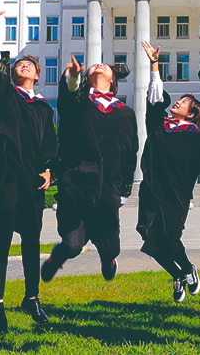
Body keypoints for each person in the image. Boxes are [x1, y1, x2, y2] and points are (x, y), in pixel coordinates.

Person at [0, 5, 57, 332]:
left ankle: (31, 297)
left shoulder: (42, 107)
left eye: (30, 64)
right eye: (19, 64)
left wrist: (50, 169)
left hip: (33, 180)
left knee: (32, 239)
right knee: (2, 238)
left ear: (37, 75)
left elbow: (51, 142)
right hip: (9, 176)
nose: (24, 65)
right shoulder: (5, 96)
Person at [136, 40, 200, 302]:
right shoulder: (159, 124)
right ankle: (180, 274)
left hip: (175, 194)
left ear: (192, 113)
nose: (178, 102)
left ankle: (187, 269)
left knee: (171, 238)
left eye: (185, 101)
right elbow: (154, 97)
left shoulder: (195, 137)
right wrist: (154, 64)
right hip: (150, 190)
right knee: (148, 236)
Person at [39, 52, 139, 288]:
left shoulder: (125, 112)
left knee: (110, 245)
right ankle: (58, 257)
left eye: (105, 66)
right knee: (73, 244)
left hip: (109, 186)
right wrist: (73, 78)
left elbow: (129, 151)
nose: (100, 66)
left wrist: (124, 189)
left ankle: (107, 258)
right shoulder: (79, 103)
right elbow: (68, 99)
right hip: (76, 182)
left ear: (113, 80)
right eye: (94, 66)